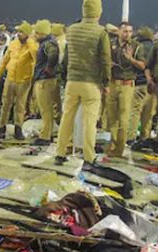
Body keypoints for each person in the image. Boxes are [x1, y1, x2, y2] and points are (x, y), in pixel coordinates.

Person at [55, 0, 111, 165]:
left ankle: (60, 153)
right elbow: (105, 60)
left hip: (72, 81)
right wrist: (106, 83)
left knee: (67, 118)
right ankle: (88, 156)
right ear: (98, 12)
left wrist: (66, 78)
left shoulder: (71, 30)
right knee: (89, 122)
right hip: (91, 84)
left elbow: (65, 58)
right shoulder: (101, 32)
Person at [105, 22, 145, 157]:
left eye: (130, 31)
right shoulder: (110, 44)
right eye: (125, 31)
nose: (128, 34)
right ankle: (113, 143)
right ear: (119, 32)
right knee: (112, 117)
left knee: (123, 118)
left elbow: (142, 66)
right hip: (112, 83)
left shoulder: (136, 46)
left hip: (127, 85)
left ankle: (119, 149)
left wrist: (131, 59)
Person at [0, 21, 38, 140]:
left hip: (24, 81)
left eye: (22, 32)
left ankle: (18, 129)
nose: (19, 34)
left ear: (28, 34)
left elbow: (36, 60)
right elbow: (4, 61)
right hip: (10, 79)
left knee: (20, 106)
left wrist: (30, 43)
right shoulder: (13, 44)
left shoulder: (32, 46)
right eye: (18, 31)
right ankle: (2, 128)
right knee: (6, 105)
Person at [32, 19, 60, 140]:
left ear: (42, 33)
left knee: (46, 109)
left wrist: (48, 68)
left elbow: (53, 55)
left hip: (45, 80)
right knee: (47, 109)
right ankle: (48, 133)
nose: (35, 35)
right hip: (46, 79)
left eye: (37, 33)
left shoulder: (48, 43)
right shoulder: (48, 42)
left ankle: (45, 136)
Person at [128, 26, 154, 140]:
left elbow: (143, 65)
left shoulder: (140, 47)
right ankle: (145, 137)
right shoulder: (155, 47)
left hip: (140, 82)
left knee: (135, 111)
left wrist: (130, 59)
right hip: (152, 84)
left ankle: (131, 137)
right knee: (148, 114)